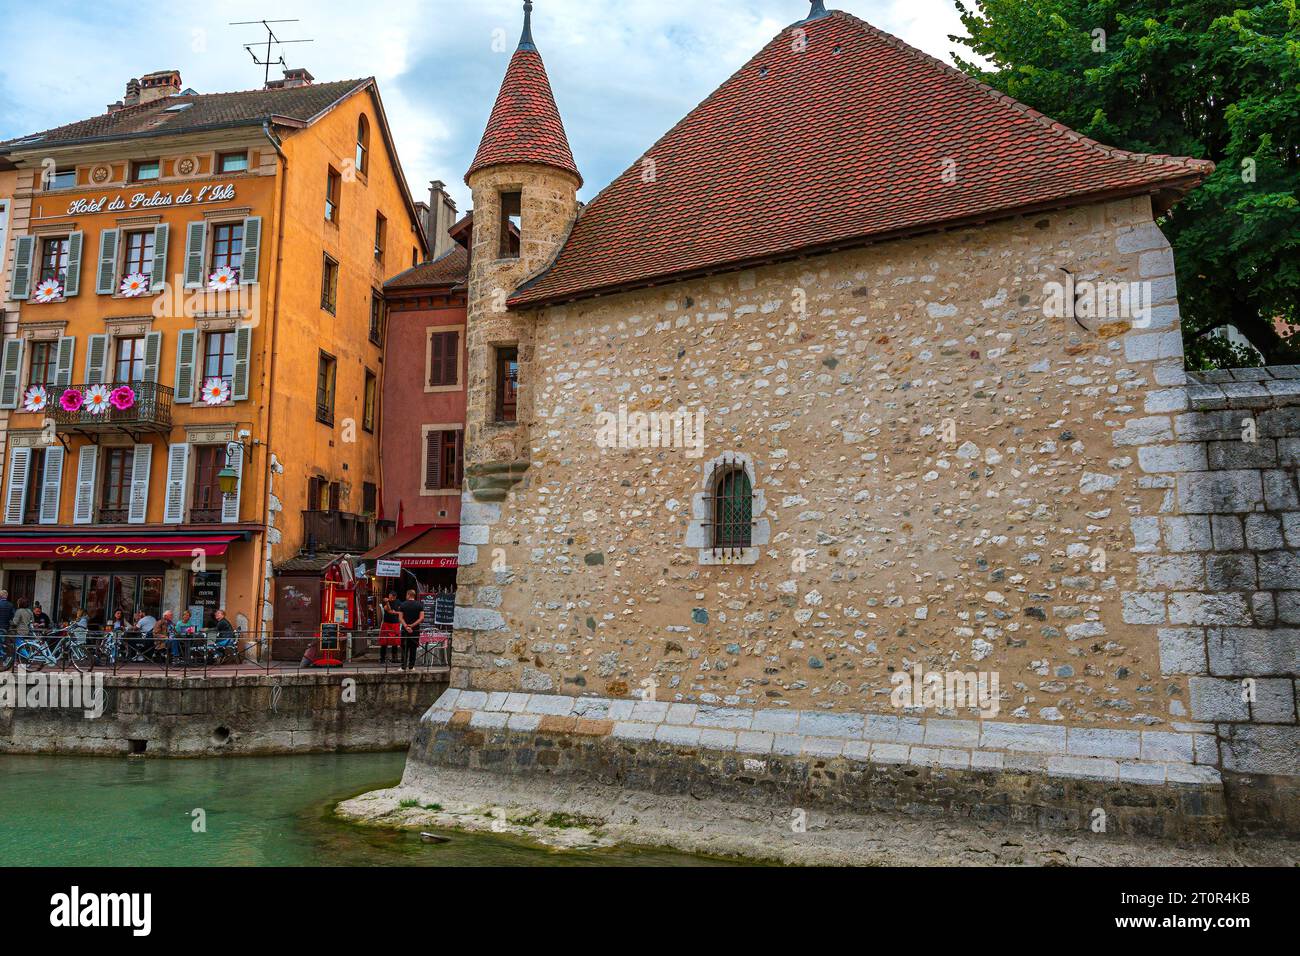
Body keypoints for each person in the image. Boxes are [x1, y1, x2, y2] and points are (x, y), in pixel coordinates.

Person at [398, 589, 425, 671]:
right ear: (414, 595)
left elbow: (400, 618)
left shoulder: (402, 605)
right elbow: (422, 618)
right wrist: (412, 626)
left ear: (408, 595)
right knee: (413, 648)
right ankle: (411, 666)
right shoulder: (420, 605)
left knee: (404, 648)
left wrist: (406, 626)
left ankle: (403, 666)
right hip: (415, 630)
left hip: (405, 630)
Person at [378, 593, 401, 665]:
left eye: (391, 596)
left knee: (395, 642)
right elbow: (388, 610)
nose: (389, 598)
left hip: (395, 624)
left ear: (394, 597)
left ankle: (394, 658)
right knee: (384, 642)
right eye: (389, 596)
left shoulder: (398, 602)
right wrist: (387, 602)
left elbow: (401, 612)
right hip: (386, 624)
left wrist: (396, 612)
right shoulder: (386, 602)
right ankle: (382, 659)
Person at [0, 589, 14, 657]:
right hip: (5, 627)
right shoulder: (10, 605)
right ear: (7, 596)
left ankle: (3, 655)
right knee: (3, 641)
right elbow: (12, 617)